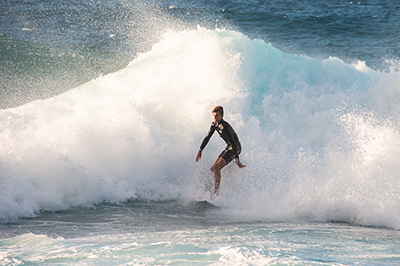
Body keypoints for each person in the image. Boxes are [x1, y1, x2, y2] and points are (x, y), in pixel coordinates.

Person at [196, 106, 246, 195]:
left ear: (222, 116)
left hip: (235, 148)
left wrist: (237, 160)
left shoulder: (225, 127)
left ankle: (216, 193)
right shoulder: (214, 124)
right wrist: (200, 150)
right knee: (213, 169)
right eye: (213, 116)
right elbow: (207, 137)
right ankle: (208, 189)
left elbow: (234, 144)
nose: (214, 118)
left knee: (217, 167)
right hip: (229, 147)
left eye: (216, 116)